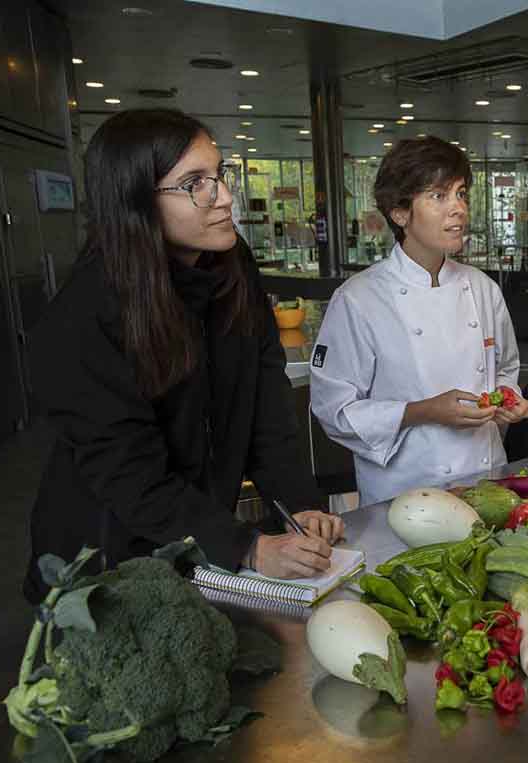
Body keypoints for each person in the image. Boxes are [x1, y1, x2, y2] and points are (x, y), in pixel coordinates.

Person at [26, 109, 343, 603]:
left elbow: (266, 410)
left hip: (196, 539)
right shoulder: (82, 318)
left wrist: (297, 507)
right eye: (195, 183)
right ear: (134, 200)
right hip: (105, 557)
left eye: (220, 175)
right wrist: (248, 547)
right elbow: (129, 475)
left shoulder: (233, 266)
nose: (224, 197)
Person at [310, 137, 528, 506]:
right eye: (439, 196)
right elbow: (335, 411)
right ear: (399, 213)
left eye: (461, 194)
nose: (458, 209)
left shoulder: (482, 289)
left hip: (488, 483)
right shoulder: (360, 298)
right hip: (405, 494)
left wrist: (511, 398)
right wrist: (424, 411)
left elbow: (506, 368)